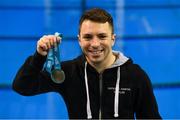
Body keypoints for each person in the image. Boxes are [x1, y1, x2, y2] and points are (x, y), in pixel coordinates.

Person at [12, 8, 161, 119]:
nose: (95, 44)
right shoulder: (68, 73)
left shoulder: (135, 76)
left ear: (113, 39)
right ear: (79, 40)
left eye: (102, 36)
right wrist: (39, 56)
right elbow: (22, 86)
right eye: (88, 37)